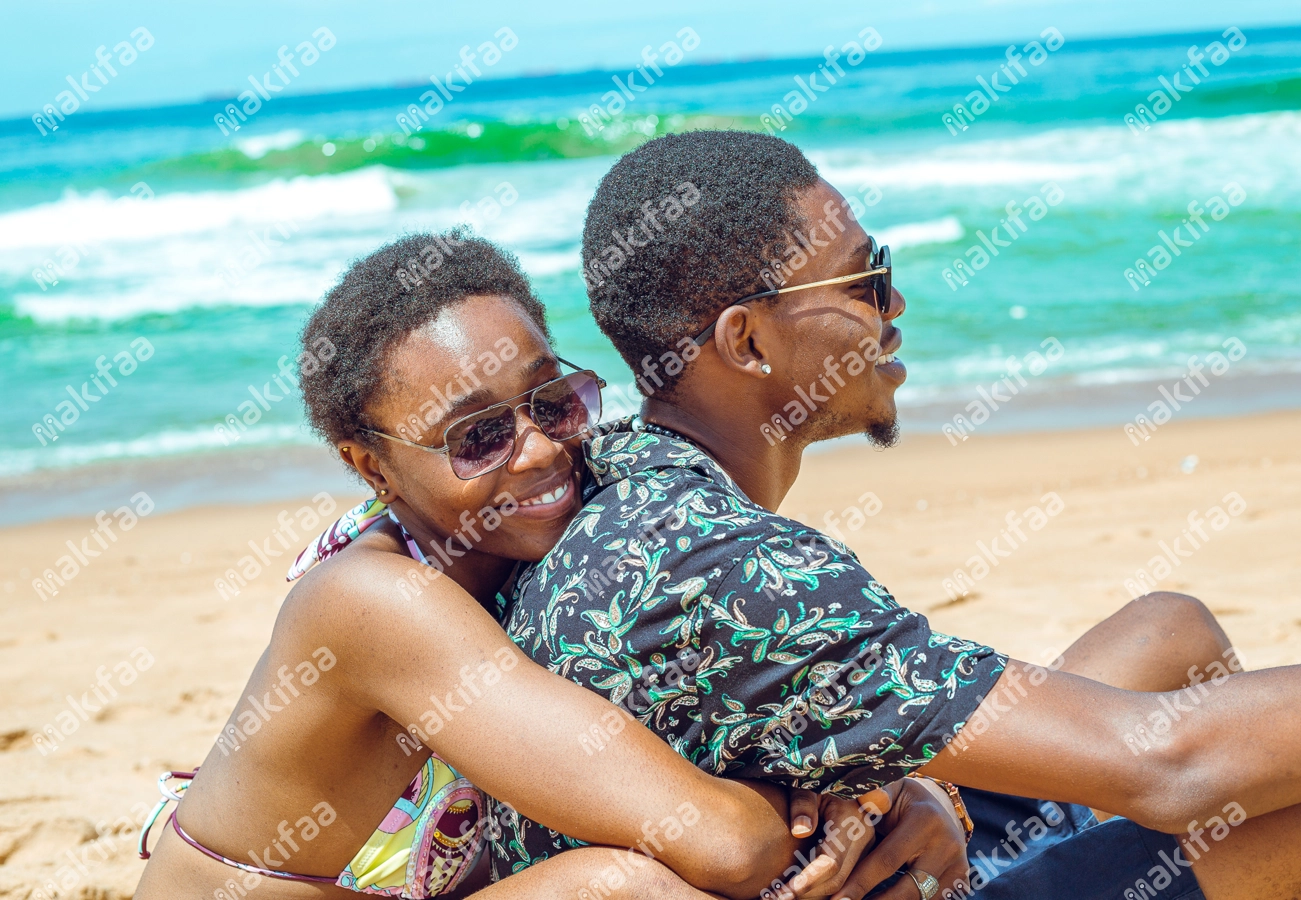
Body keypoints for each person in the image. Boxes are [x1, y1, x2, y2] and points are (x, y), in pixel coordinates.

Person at [496, 130, 1301, 900]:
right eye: (863, 281)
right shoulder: (737, 569)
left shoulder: (615, 474)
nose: (895, 303)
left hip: (866, 849)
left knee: (1166, 633)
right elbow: (1169, 766)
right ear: (745, 344)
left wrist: (914, 787)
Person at [134, 231, 968, 899]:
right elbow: (729, 843)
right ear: (370, 467)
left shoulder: (551, 533)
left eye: (552, 401)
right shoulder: (375, 602)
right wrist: (827, 808)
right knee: (629, 886)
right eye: (478, 437)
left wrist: (884, 790)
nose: (538, 452)